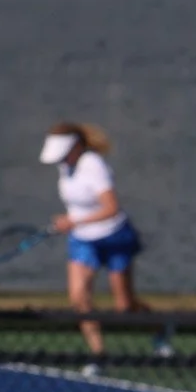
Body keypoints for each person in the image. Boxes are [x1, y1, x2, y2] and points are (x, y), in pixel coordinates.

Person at [39, 124, 151, 369]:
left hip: (115, 237)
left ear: (76, 147)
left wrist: (73, 221)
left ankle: (160, 327)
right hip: (82, 240)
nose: (61, 159)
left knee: (125, 307)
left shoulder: (94, 165)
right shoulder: (64, 165)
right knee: (79, 298)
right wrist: (72, 222)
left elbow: (111, 208)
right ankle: (99, 355)